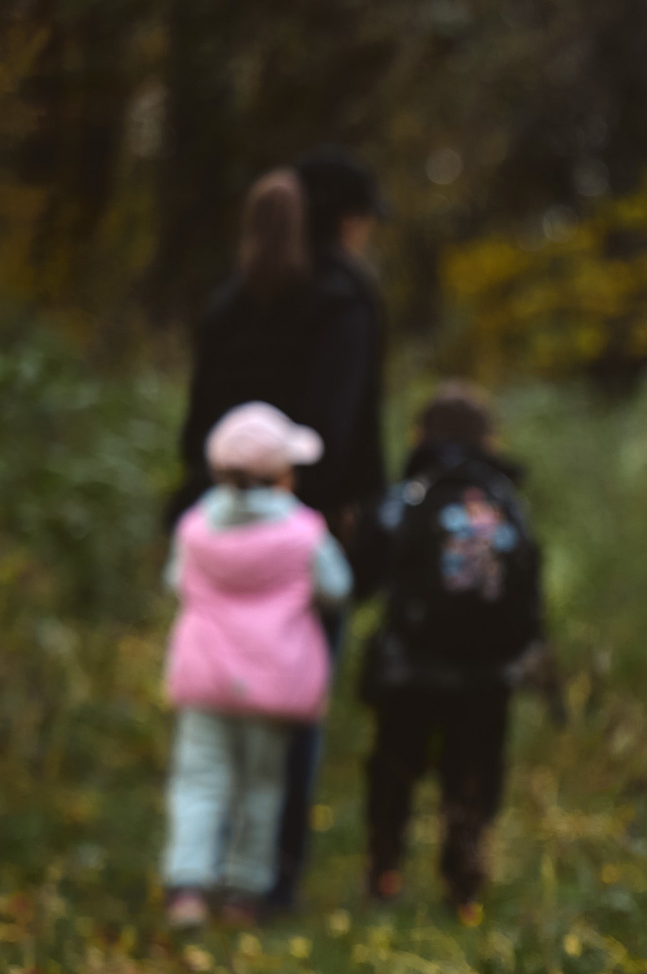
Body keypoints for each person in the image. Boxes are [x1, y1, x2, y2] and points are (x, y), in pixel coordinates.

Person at [168, 149, 390, 916]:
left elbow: (195, 426)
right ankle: (265, 881)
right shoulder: (345, 304)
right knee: (288, 719)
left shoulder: (230, 301)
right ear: (345, 222)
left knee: (209, 743)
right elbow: (343, 428)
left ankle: (195, 874)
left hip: (218, 528)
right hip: (313, 532)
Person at [160, 404, 355, 927]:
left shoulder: (196, 527)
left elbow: (176, 581)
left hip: (205, 676)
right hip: (275, 681)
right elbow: (337, 589)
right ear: (283, 474)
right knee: (261, 787)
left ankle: (187, 886)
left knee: (198, 780)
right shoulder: (304, 531)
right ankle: (244, 893)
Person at [361, 384, 545, 923]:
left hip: (411, 664)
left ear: (421, 434)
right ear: (488, 438)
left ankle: (385, 867)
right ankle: (464, 879)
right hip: (489, 669)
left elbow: (367, 568)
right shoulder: (504, 497)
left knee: (395, 766)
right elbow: (529, 580)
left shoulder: (410, 494)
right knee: (472, 771)